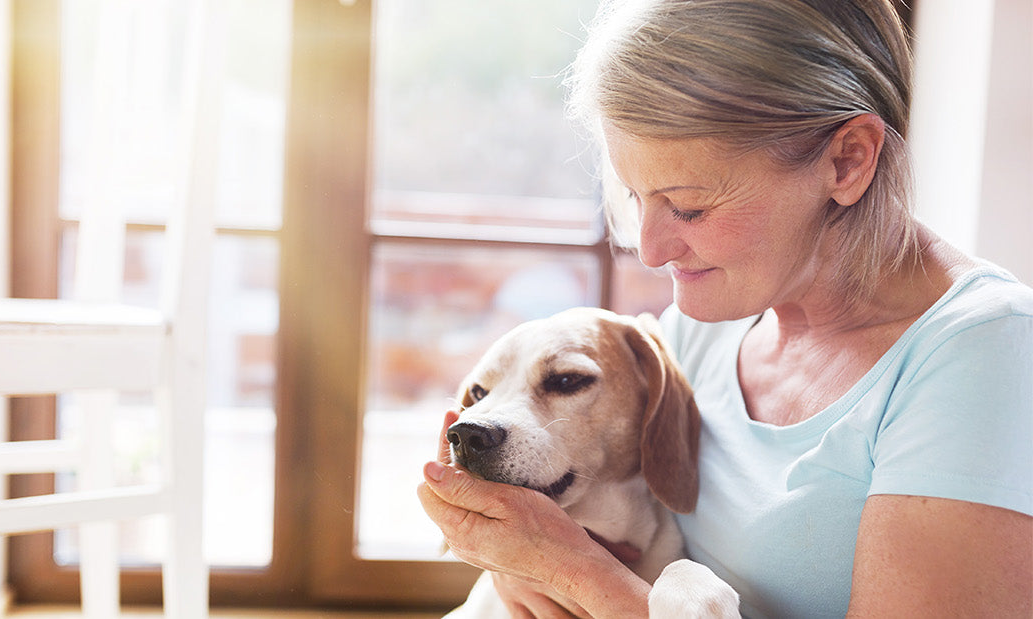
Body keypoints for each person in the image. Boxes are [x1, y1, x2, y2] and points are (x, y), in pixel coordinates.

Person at [417, 0, 1033, 616]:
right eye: (636, 197)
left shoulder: (985, 355)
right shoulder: (705, 326)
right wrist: (515, 570)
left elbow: (585, 570)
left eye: (688, 207)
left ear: (847, 161)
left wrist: (566, 569)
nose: (652, 252)